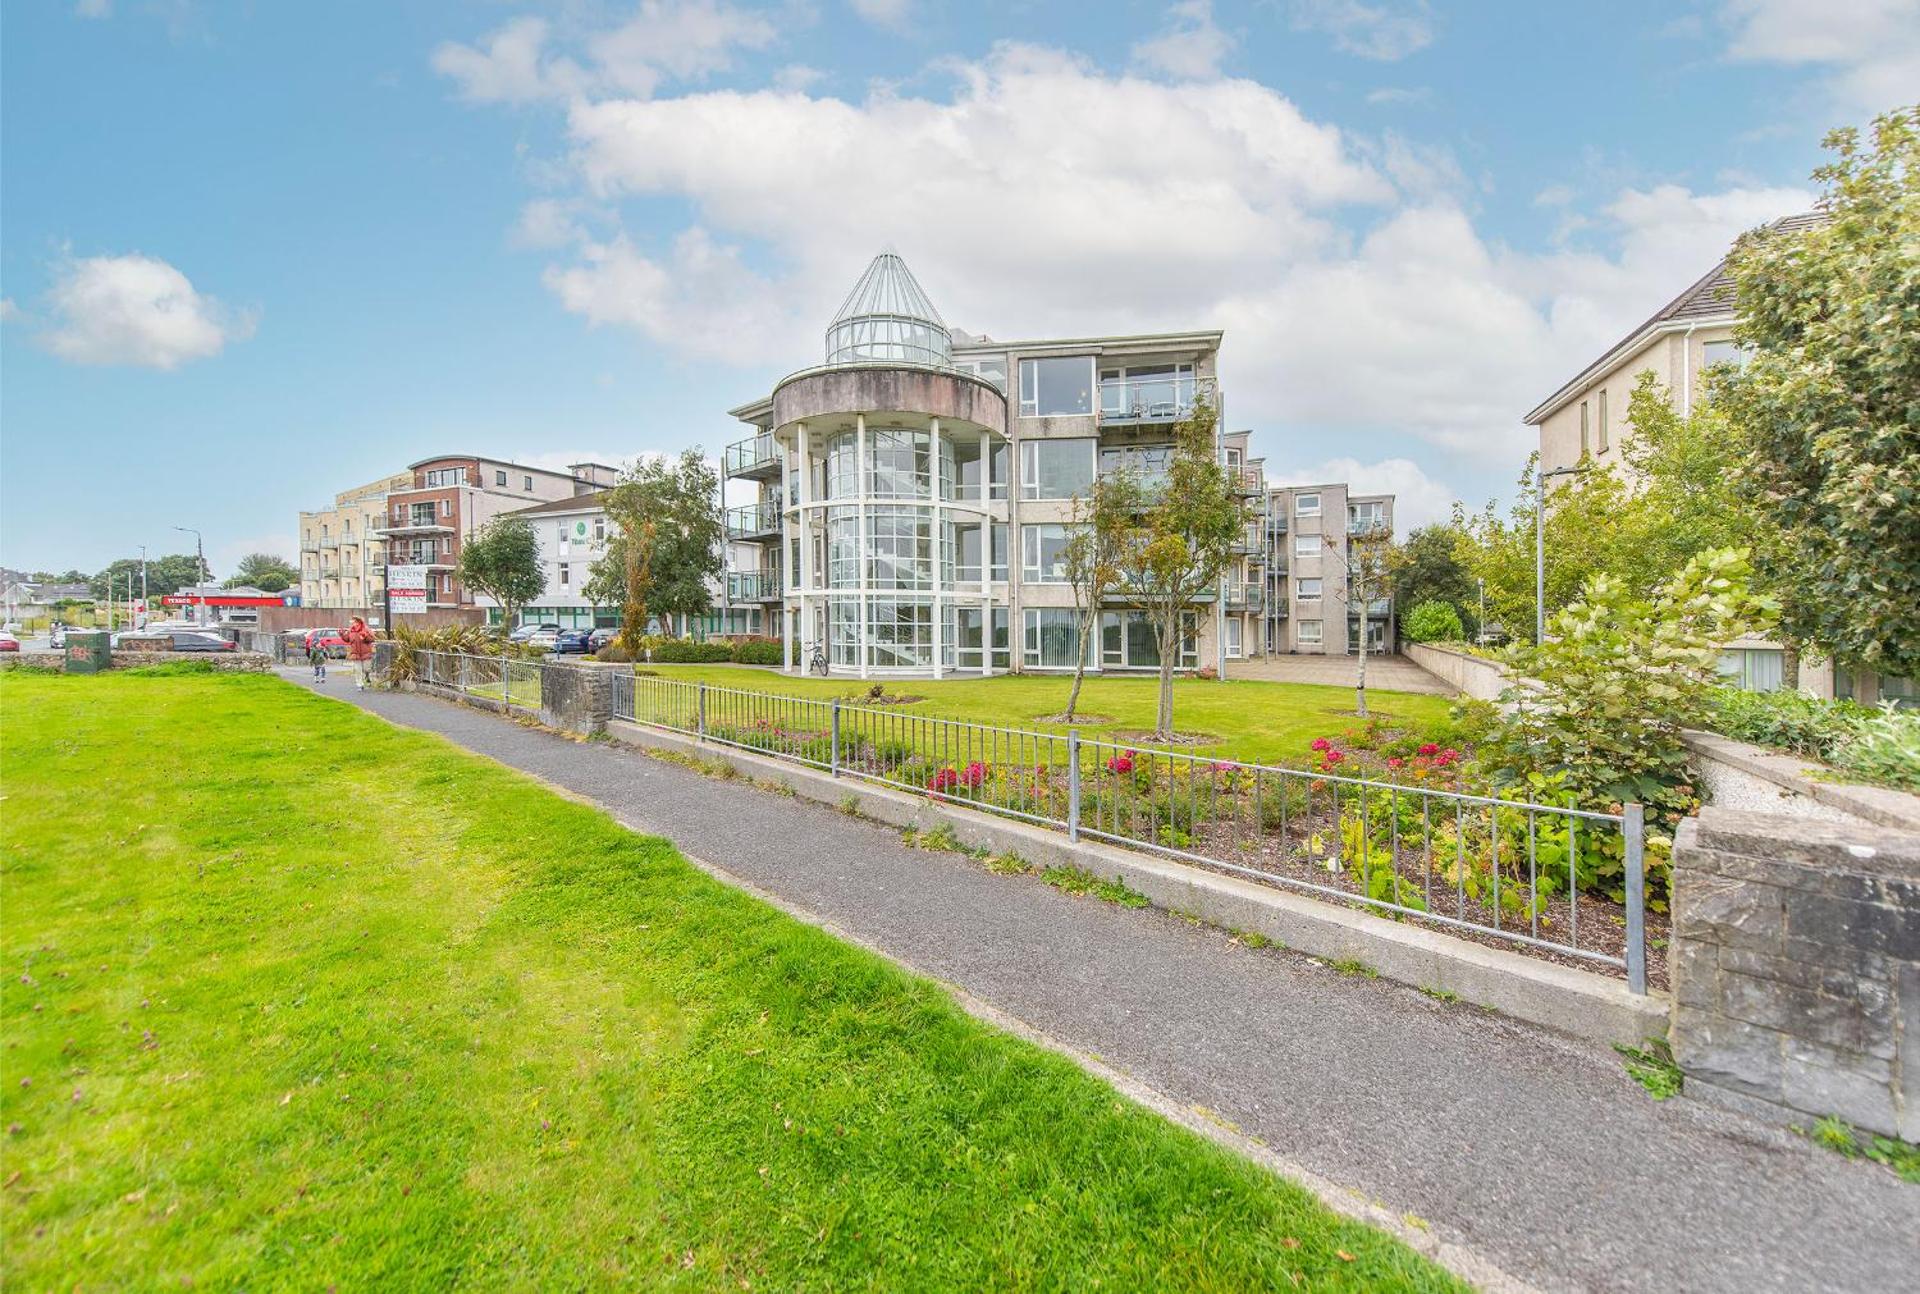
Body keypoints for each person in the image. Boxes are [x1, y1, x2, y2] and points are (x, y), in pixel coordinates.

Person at [343, 616, 376, 689]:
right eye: (352, 622)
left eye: (354, 622)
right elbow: (347, 639)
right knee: (358, 670)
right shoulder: (351, 630)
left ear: (359, 622)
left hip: (366, 653)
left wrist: (365, 637)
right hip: (355, 654)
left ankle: (367, 676)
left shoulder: (366, 629)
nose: (352, 624)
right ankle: (360, 684)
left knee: (366, 669)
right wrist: (342, 635)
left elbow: (373, 638)